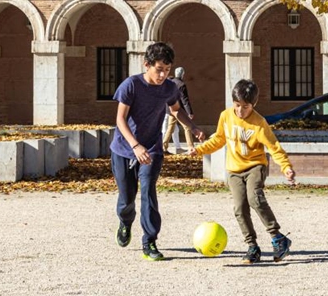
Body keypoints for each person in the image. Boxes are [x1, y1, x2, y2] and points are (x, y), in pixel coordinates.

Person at [111, 42, 206, 261]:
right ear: (147, 65)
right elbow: (120, 119)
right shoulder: (131, 85)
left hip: (152, 149)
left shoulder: (169, 88)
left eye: (167, 69)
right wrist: (135, 146)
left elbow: (175, 110)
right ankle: (125, 222)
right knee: (127, 199)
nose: (163, 74)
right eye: (159, 69)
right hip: (125, 149)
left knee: (148, 191)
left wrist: (192, 127)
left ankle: (150, 241)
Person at [188, 79, 296, 264]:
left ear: (253, 104)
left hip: (255, 166)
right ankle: (252, 247)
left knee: (254, 198)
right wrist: (200, 149)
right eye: (237, 105)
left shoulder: (259, 123)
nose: (240, 111)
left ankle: (278, 238)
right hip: (234, 170)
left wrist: (286, 167)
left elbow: (274, 147)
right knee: (239, 207)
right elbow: (219, 140)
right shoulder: (226, 116)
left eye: (245, 107)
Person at [162, 67, 195, 154]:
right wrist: (189, 112)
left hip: (170, 109)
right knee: (187, 127)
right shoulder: (181, 84)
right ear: (183, 74)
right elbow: (185, 100)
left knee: (170, 128)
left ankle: (163, 146)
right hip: (179, 110)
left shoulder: (170, 82)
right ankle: (191, 147)